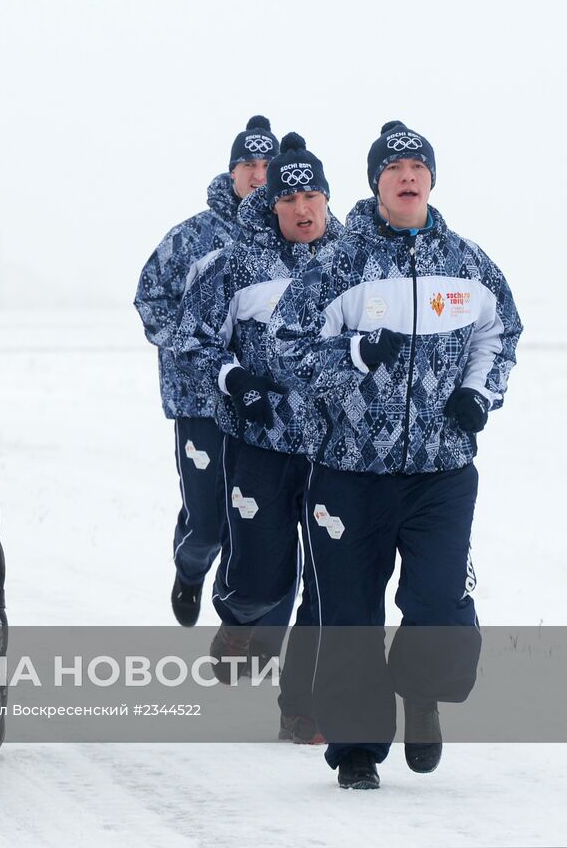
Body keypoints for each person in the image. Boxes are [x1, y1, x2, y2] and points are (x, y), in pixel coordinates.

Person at [267, 121, 521, 789]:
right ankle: (355, 747)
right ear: (376, 181)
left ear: (431, 179)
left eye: (417, 164)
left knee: (440, 601)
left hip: (441, 470)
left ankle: (422, 690)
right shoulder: (337, 262)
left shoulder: (467, 263)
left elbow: (501, 331)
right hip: (349, 471)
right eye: (394, 166)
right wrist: (350, 356)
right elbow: (285, 348)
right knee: (349, 612)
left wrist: (478, 393)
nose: (407, 174)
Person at [174, 133, 341, 742]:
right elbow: (191, 341)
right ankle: (238, 614)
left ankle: (303, 709)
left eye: (313, 194)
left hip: (334, 451)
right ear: (272, 203)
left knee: (328, 582)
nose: (303, 207)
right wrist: (234, 379)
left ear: (327, 198)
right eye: (290, 195)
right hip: (260, 443)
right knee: (263, 578)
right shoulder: (236, 265)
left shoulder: (351, 262)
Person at [135, 115, 276, 626]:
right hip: (201, 402)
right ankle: (190, 570)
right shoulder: (193, 237)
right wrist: (189, 349)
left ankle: (240, 615)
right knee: (208, 526)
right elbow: (149, 296)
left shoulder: (289, 231)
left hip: (265, 403)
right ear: (232, 171)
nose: (259, 175)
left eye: (268, 164)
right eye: (249, 164)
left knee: (257, 520)